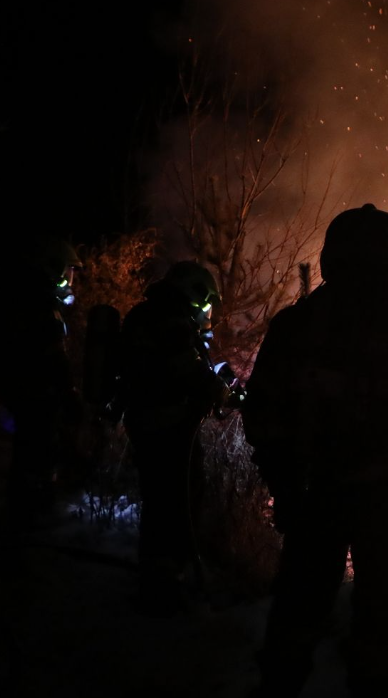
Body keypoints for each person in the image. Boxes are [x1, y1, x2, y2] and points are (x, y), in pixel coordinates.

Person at [242, 204, 388, 696]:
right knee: (385, 624)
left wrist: (283, 485)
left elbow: (261, 416)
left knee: (298, 612)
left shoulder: (297, 326)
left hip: (313, 496)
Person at [118, 260, 230, 614]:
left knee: (159, 502)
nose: (208, 310)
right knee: (174, 503)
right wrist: (219, 389)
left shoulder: (152, 315)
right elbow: (188, 372)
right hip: (166, 429)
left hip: (149, 424)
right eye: (208, 301)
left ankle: (159, 579)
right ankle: (165, 588)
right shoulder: (171, 322)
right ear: (195, 294)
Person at [0, 235, 83, 523]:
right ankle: (31, 515)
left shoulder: (22, 295)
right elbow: (54, 357)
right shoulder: (41, 303)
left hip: (19, 386)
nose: (72, 279)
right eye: (69, 271)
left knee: (28, 448)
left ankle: (23, 508)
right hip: (35, 390)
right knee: (38, 449)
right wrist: (71, 397)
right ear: (56, 268)